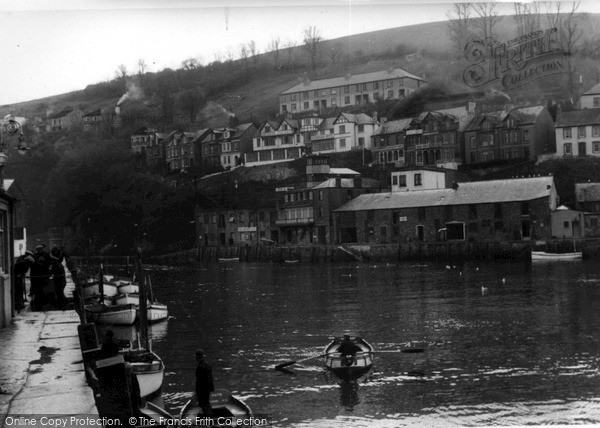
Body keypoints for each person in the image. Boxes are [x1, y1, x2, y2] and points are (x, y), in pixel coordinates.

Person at [29, 244, 52, 311]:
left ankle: (41, 305)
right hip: (38, 277)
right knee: (38, 292)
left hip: (43, 276)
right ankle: (39, 305)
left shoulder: (44, 255)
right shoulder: (35, 256)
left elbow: (49, 263)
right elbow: (33, 266)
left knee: (42, 291)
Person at [195, 349, 215, 416]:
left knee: (204, 405)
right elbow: (210, 379)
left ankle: (209, 419)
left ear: (197, 358)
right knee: (207, 403)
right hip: (208, 389)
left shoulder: (199, 368)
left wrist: (197, 391)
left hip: (202, 390)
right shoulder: (208, 366)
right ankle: (210, 417)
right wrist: (212, 388)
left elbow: (198, 381)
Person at [50, 245, 66, 309]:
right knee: (60, 291)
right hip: (61, 279)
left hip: (58, 279)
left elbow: (52, 271)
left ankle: (61, 304)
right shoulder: (59, 264)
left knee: (59, 291)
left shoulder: (55, 264)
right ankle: (61, 304)